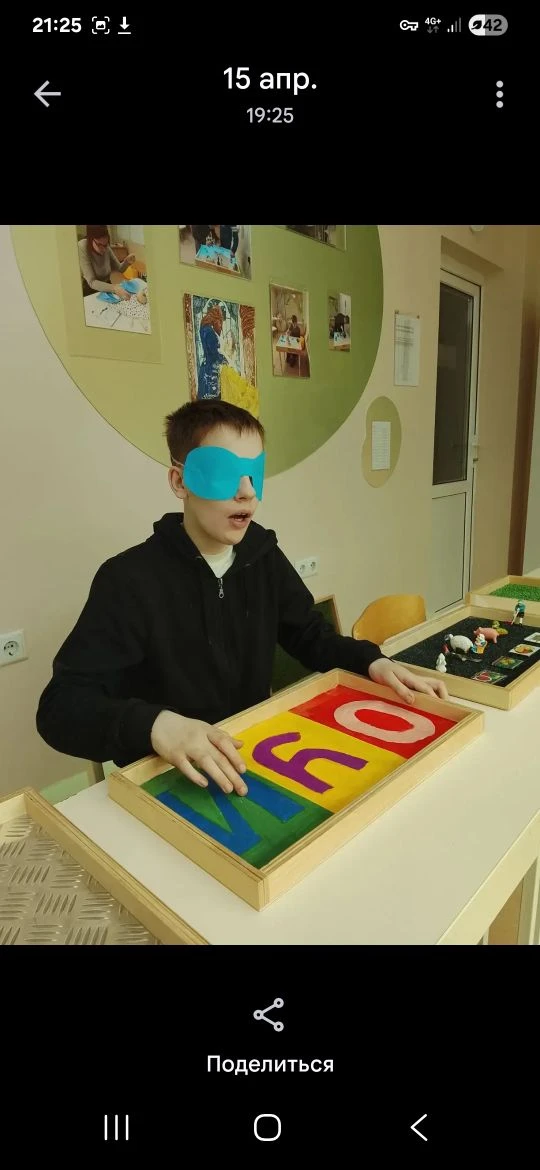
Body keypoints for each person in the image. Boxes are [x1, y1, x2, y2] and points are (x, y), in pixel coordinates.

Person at [36, 401, 448, 797]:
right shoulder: (128, 581)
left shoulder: (262, 557)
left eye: (254, 474)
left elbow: (310, 634)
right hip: (168, 779)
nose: (247, 492)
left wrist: (372, 662)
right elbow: (60, 708)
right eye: (224, 473)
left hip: (253, 759)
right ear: (180, 482)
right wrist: (158, 726)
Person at [78, 225, 136, 299]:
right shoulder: (82, 246)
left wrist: (127, 262)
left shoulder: (106, 248)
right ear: (90, 239)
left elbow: (120, 269)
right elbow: (92, 281)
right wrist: (114, 288)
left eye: (106, 245)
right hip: (90, 289)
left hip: (106, 285)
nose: (104, 249)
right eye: (99, 245)